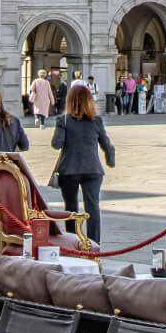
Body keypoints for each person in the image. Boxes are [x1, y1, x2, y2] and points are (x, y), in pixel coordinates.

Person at [49, 81, 116, 245]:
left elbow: (56, 144)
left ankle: (72, 242)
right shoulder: (97, 121)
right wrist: (110, 161)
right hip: (93, 169)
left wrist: (63, 131)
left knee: (71, 207)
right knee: (92, 207)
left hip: (69, 169)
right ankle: (94, 245)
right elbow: (107, 145)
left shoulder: (63, 120)